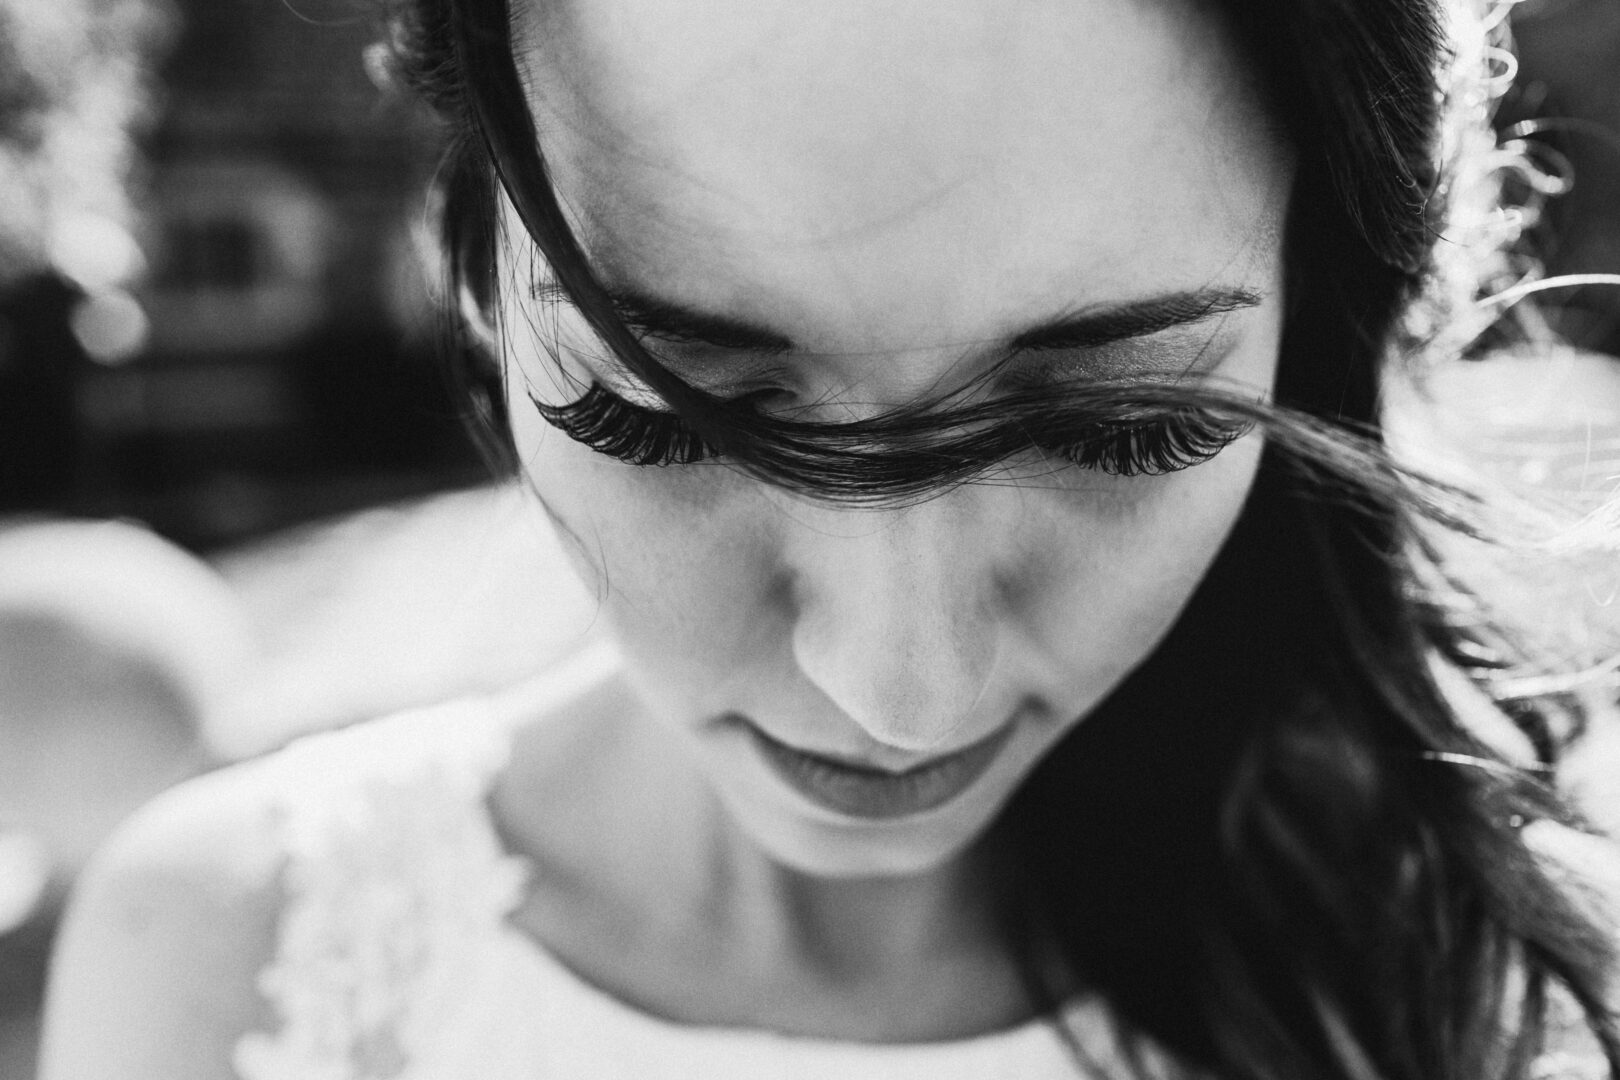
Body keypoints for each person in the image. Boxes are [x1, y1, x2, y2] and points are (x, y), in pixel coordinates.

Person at [37, 0, 1620, 1076]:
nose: (903, 694)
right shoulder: (237, 966)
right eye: (666, 413)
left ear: (1313, 334)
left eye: (1123, 429)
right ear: (476, 279)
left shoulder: (1471, 984)